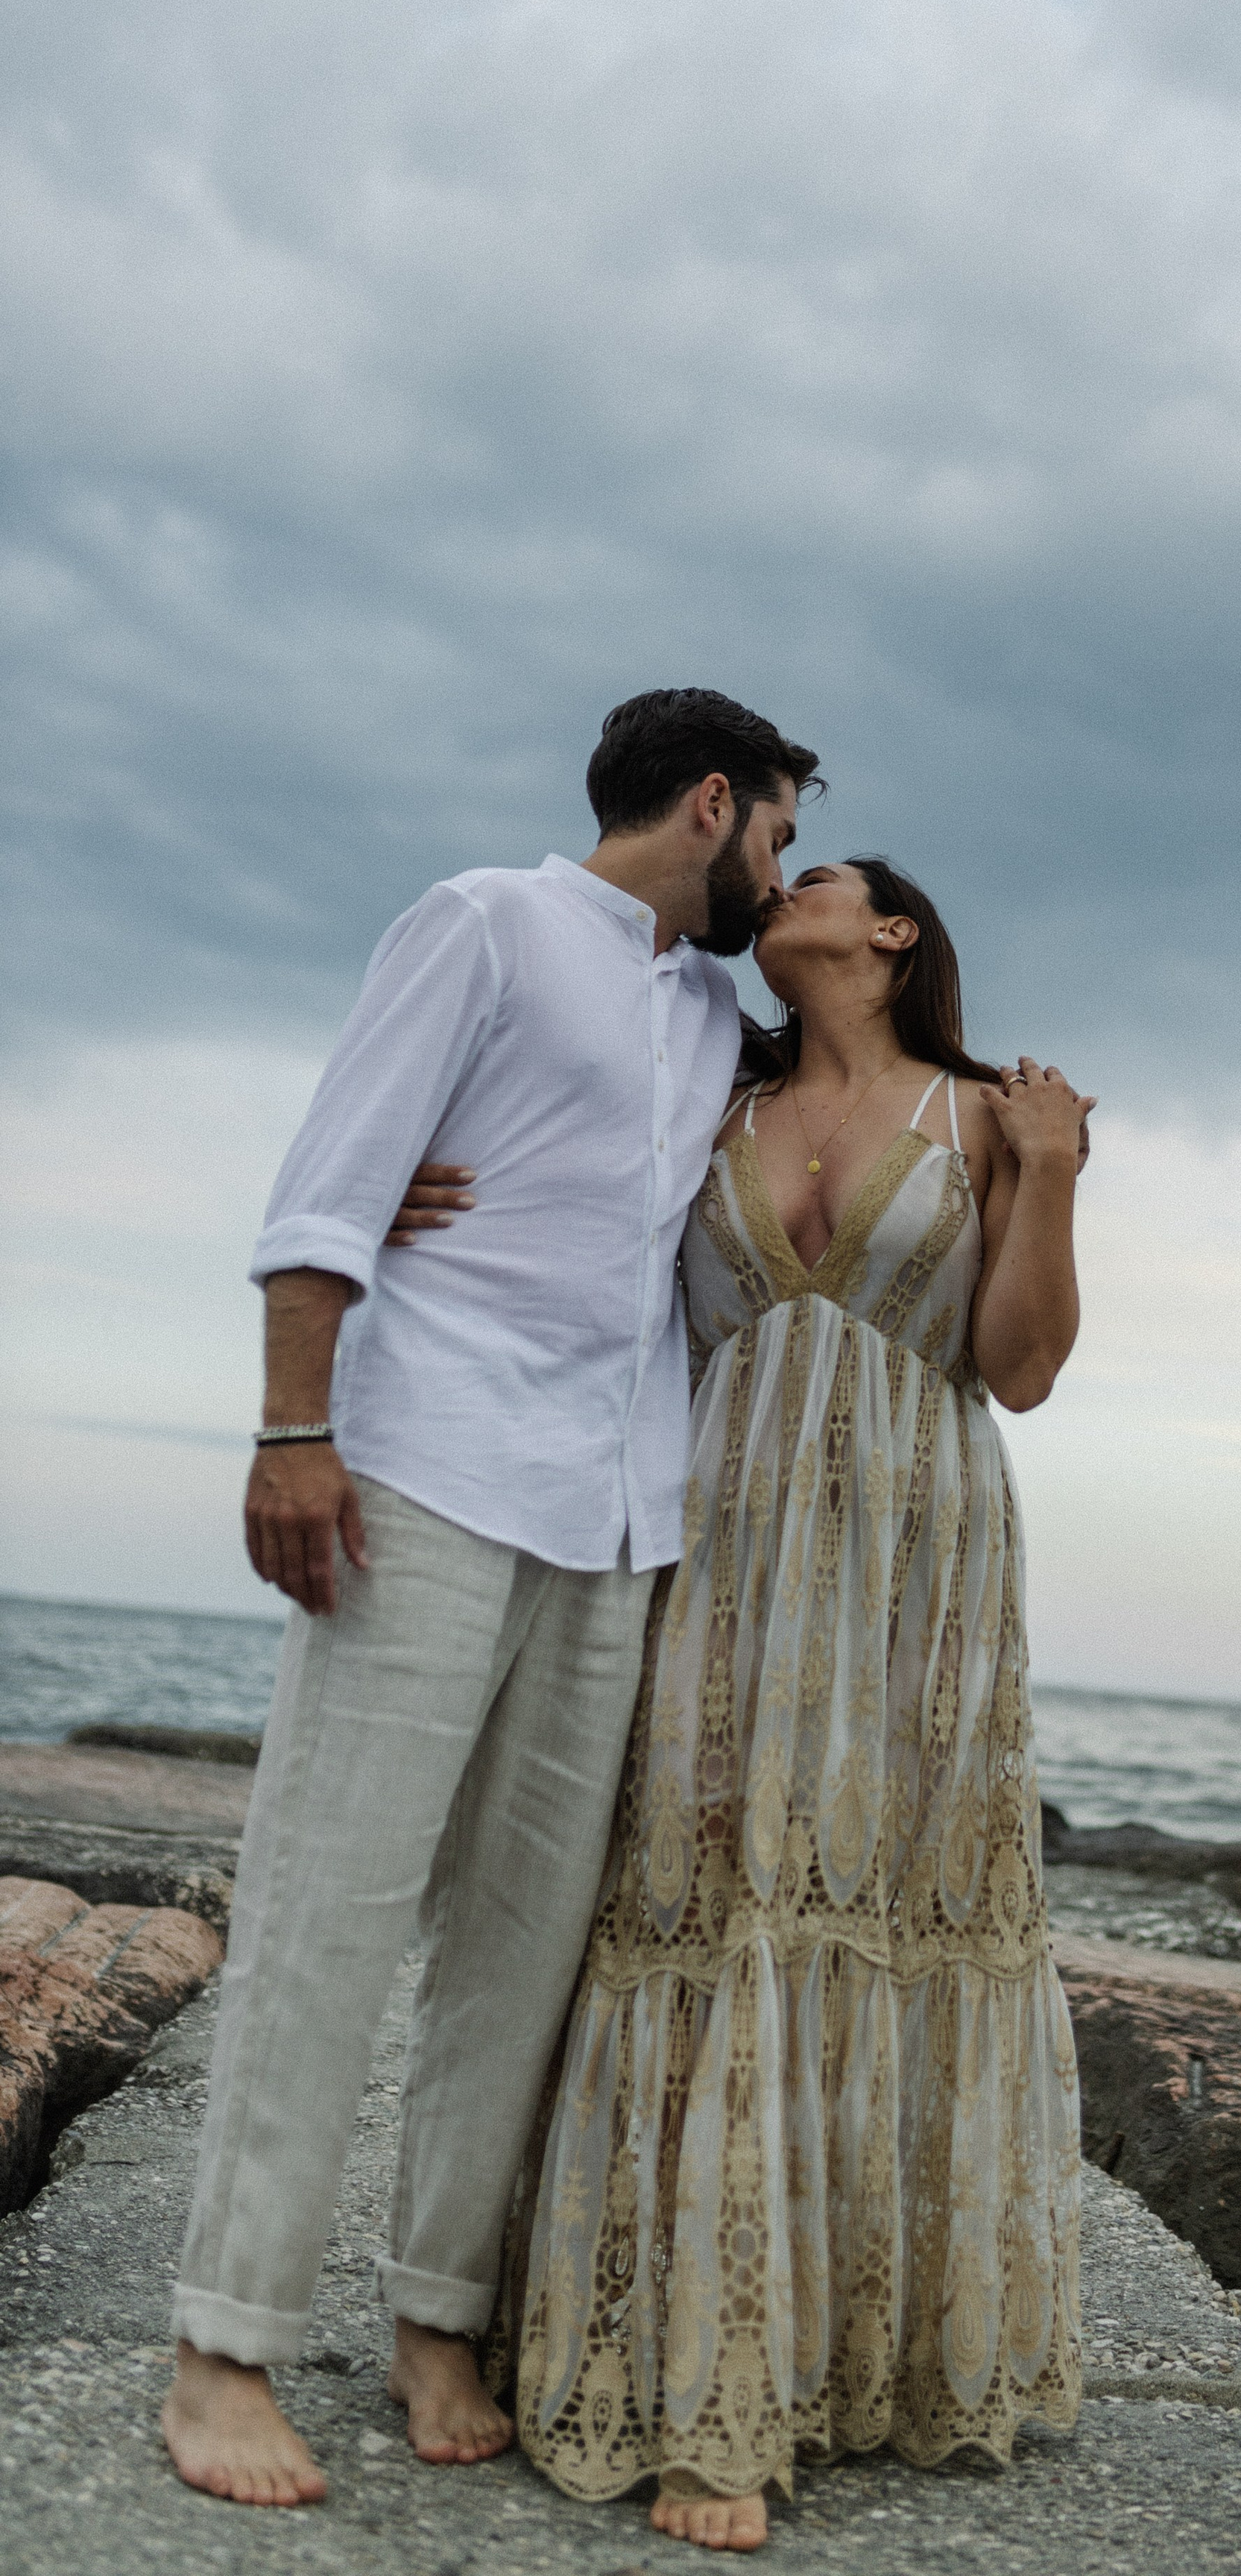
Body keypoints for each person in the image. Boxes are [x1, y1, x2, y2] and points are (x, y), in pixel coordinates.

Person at [162, 690, 821, 2510]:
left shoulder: (710, 1012)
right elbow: (332, 1192)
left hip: (622, 1519)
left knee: (525, 1943)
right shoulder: (480, 920)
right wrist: (296, 1430)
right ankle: (222, 2345)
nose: (778, 873)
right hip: (430, 1472)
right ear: (710, 805)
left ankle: (436, 2314)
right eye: (773, 833)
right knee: (330, 1909)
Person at [456, 853, 1095, 2551]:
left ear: (893, 934)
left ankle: (837, 2369)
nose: (787, 883)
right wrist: (404, 1199)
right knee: (693, 1901)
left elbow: (1019, 1369)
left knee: (880, 1908)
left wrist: (1051, 1176)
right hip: (713, 1551)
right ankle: (694, 2384)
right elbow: (572, 1228)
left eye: (821, 873)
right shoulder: (709, 1093)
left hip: (914, 1574)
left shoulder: (985, 1114)